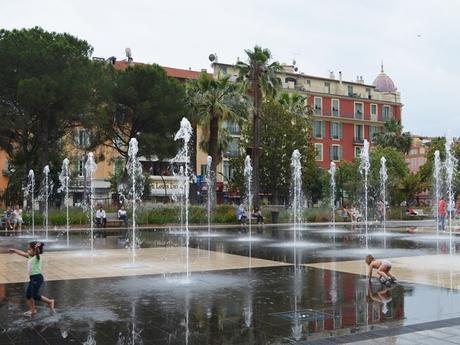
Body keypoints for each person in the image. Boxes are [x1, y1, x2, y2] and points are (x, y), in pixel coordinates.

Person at [9, 241, 55, 316]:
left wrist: (36, 248)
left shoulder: (37, 257)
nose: (28, 251)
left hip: (37, 278)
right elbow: (22, 253)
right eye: (28, 249)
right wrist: (14, 250)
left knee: (34, 295)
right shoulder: (30, 256)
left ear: (35, 250)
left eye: (30, 249)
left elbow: (37, 253)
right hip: (33, 278)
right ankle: (33, 310)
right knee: (28, 295)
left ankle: (50, 301)